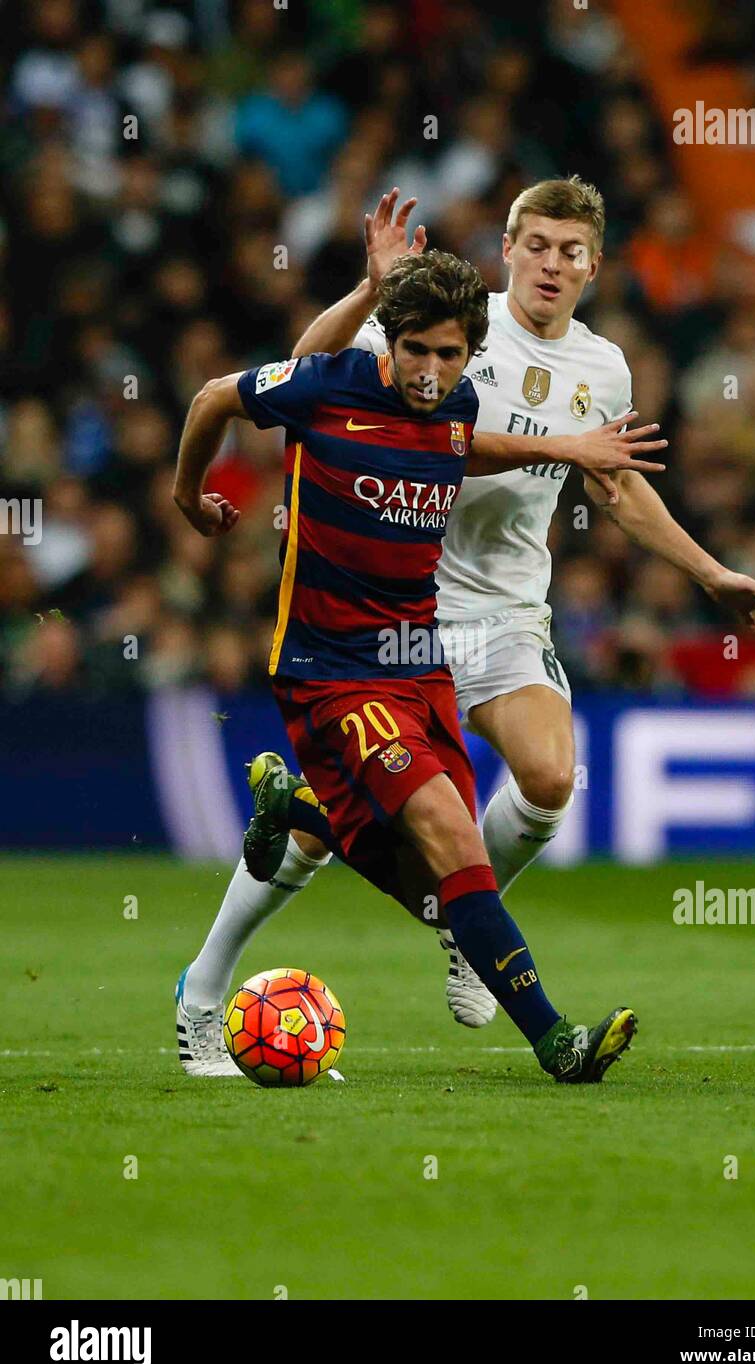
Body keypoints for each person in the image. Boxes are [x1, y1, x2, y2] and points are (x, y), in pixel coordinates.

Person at [187, 178, 755, 1035]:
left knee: (550, 778)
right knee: (319, 832)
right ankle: (206, 983)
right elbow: (309, 373)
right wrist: (368, 288)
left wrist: (711, 573)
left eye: (571, 251)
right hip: (399, 610)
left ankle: (464, 929)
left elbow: (617, 487)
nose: (552, 264)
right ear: (506, 249)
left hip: (509, 611)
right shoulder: (446, 323)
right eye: (537, 246)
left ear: (595, 265)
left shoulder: (603, 366)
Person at [173, 249, 650, 1081]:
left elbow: (464, 444)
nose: (430, 373)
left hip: (415, 659)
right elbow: (216, 395)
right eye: (416, 351)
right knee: (451, 833)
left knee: (436, 895)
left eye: (449, 353)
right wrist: (189, 493)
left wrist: (571, 450)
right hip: (331, 665)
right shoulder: (330, 386)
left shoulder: (456, 404)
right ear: (385, 343)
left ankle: (301, 812)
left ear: (470, 356)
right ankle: (556, 1043)